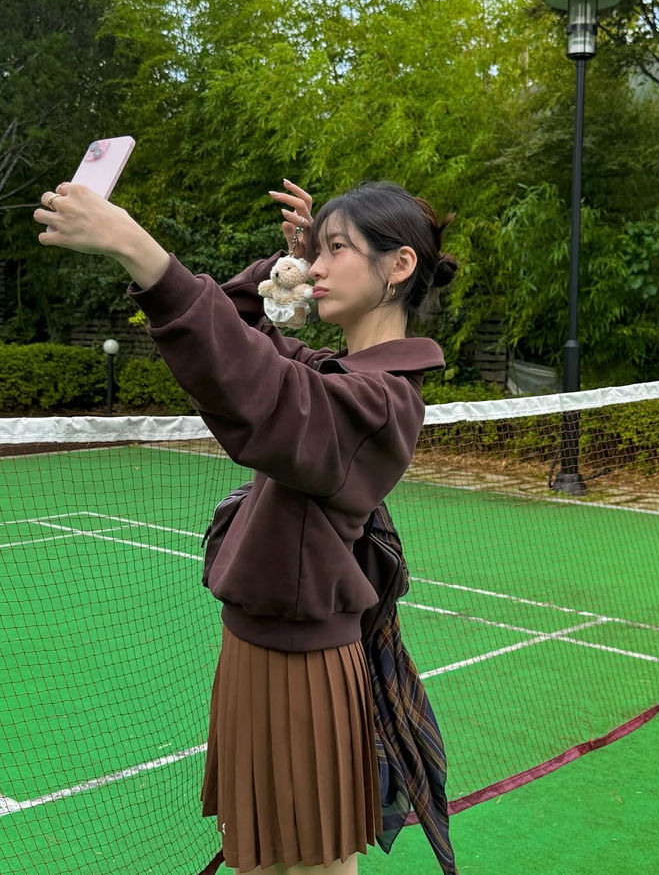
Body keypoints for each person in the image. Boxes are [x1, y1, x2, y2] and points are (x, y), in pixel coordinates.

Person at [34, 177, 458, 875]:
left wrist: (136, 248)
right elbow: (236, 333)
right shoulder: (333, 371)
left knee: (312, 864)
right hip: (255, 652)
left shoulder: (378, 402)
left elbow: (258, 392)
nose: (318, 267)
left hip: (305, 667)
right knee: (260, 861)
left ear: (400, 266)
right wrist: (277, 274)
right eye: (316, 250)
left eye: (338, 249)